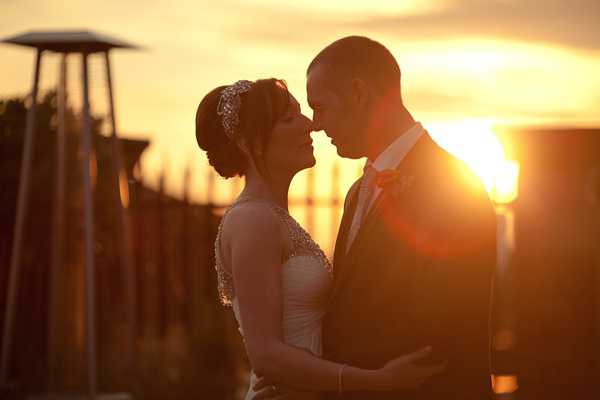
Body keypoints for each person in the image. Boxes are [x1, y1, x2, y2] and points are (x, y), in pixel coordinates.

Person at [256, 36, 497, 399]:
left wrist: (321, 379)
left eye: (320, 107)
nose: (315, 125)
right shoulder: (358, 191)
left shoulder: (453, 185)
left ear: (358, 94)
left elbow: (434, 326)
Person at [195, 78, 446, 400]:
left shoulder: (274, 218)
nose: (309, 125)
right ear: (249, 143)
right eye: (288, 119)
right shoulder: (253, 219)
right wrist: (373, 380)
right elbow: (266, 354)